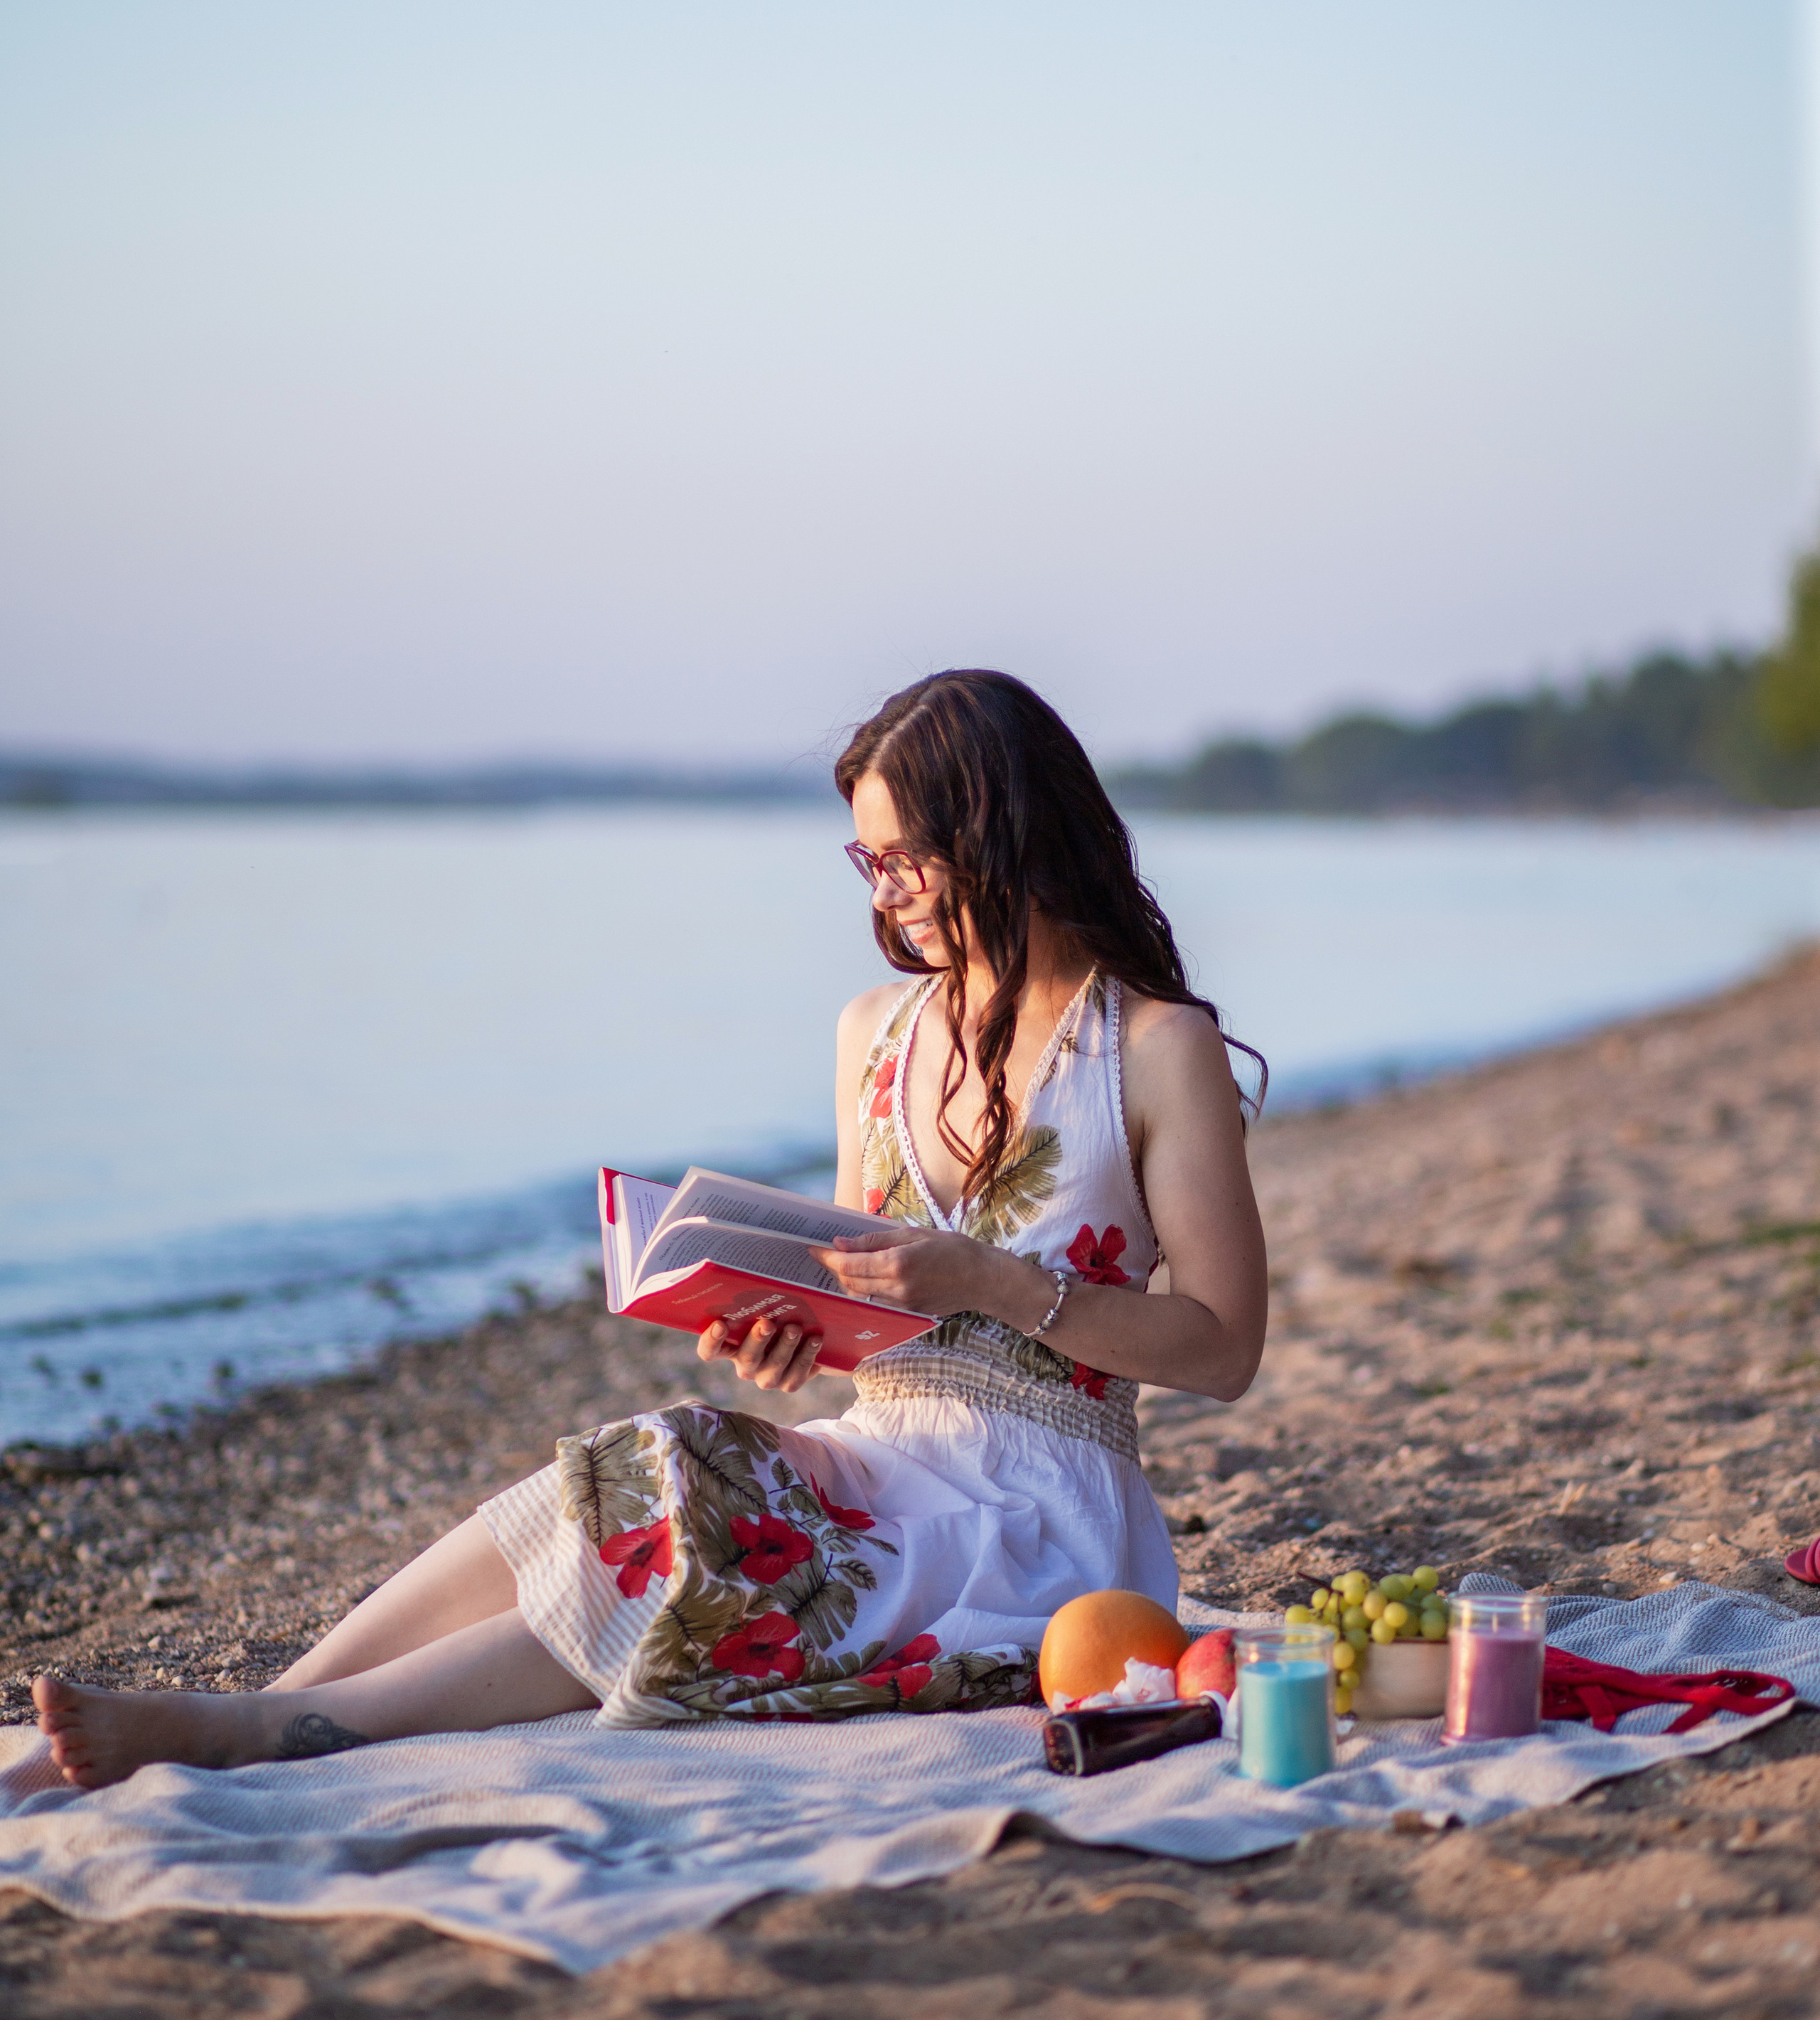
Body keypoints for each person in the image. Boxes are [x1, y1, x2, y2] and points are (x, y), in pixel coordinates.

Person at [34, 670, 1268, 1790]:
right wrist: (797, 1339)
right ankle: (263, 1708)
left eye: (908, 858)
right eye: (868, 859)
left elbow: (1222, 1349)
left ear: (1000, 835)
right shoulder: (875, 1036)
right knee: (658, 1454)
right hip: (884, 1450)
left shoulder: (1153, 1050)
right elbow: (876, 1310)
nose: (885, 891)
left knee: (717, 1552)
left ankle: (255, 1738)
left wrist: (993, 1283)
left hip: (1040, 1517)